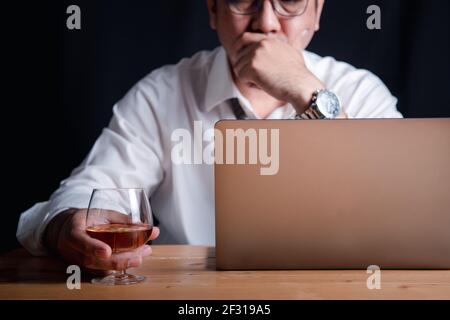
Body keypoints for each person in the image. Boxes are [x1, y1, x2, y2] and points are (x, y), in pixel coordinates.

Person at [16, 0, 402, 272]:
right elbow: (86, 193)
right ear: (213, 11)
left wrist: (307, 92)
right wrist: (66, 225)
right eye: (241, 1)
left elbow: (395, 209)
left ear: (316, 12)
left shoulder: (362, 91)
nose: (266, 23)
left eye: (290, 2)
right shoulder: (161, 94)